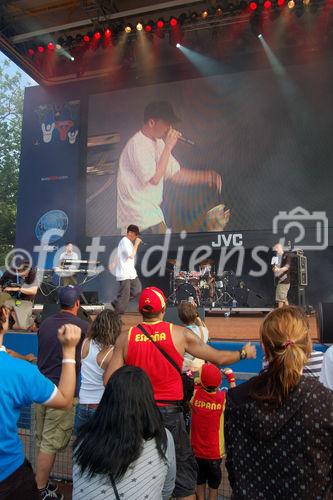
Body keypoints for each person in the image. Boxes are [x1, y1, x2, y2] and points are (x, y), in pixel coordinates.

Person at [104, 286, 256, 500]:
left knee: (136, 468)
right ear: (164, 309)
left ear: (140, 311)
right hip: (170, 415)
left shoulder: (125, 338)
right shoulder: (179, 334)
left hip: (136, 414)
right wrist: (243, 353)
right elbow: (218, 358)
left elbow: (108, 380)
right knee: (183, 478)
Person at [225, 306, 333, 500]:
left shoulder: (236, 399)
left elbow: (233, 467)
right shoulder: (325, 402)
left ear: (264, 348)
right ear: (308, 345)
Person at [0, 305, 82, 500]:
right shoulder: (18, 371)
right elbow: (64, 400)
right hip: (9, 477)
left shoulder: (18, 370)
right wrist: (69, 352)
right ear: (4, 322)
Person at [117, 101, 222, 234]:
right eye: (166, 122)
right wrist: (168, 146)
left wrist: (206, 177)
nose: (169, 127)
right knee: (166, 253)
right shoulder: (137, 145)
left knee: (167, 252)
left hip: (151, 216)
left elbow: (176, 174)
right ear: (151, 122)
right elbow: (154, 179)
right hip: (136, 219)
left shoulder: (159, 143)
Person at [73, 365, 176, 500]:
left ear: (107, 399)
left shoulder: (83, 441)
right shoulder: (163, 439)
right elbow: (167, 489)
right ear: (147, 401)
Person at [35, 285, 89, 500]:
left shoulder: (46, 323)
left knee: (41, 441)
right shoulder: (83, 326)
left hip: (41, 389)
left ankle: (42, 483)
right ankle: (39, 491)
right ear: (77, 303)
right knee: (49, 443)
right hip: (62, 393)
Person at [190, 364, 235, 500]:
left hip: (196, 452)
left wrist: (197, 373)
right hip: (215, 455)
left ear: (201, 382)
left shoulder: (195, 395)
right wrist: (231, 378)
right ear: (219, 383)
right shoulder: (222, 398)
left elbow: (194, 379)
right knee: (214, 488)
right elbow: (235, 394)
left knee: (199, 484)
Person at [77, 309, 122, 428]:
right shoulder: (112, 352)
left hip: (83, 403)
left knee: (83, 443)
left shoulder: (86, 343)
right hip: (100, 405)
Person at [111, 224, 142, 314]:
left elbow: (118, 253)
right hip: (124, 274)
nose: (136, 237)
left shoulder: (127, 242)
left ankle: (116, 302)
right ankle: (117, 317)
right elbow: (131, 255)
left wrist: (114, 263)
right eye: (136, 234)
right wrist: (136, 244)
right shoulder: (125, 241)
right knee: (124, 297)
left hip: (131, 273)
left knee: (137, 289)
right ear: (130, 233)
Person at [0, 259, 38, 330]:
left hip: (24, 301)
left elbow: (34, 291)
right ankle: (7, 322)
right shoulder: (9, 272)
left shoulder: (32, 273)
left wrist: (17, 289)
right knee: (3, 302)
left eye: (27, 273)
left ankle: (31, 320)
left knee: (21, 327)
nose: (26, 276)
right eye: (24, 273)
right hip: (10, 299)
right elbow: (1, 285)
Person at [178, 301, 209, 372]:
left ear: (180, 317)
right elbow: (201, 325)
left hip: (185, 371)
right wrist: (196, 314)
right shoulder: (204, 331)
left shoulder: (179, 333)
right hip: (200, 370)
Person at [272, 243, 292, 308]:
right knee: (283, 299)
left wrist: (279, 269)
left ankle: (279, 314)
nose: (275, 252)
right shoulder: (275, 258)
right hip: (279, 282)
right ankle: (289, 313)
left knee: (280, 299)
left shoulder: (286, 256)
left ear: (279, 248)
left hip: (284, 281)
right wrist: (275, 269)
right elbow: (273, 268)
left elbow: (287, 267)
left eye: (276, 250)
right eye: (274, 251)